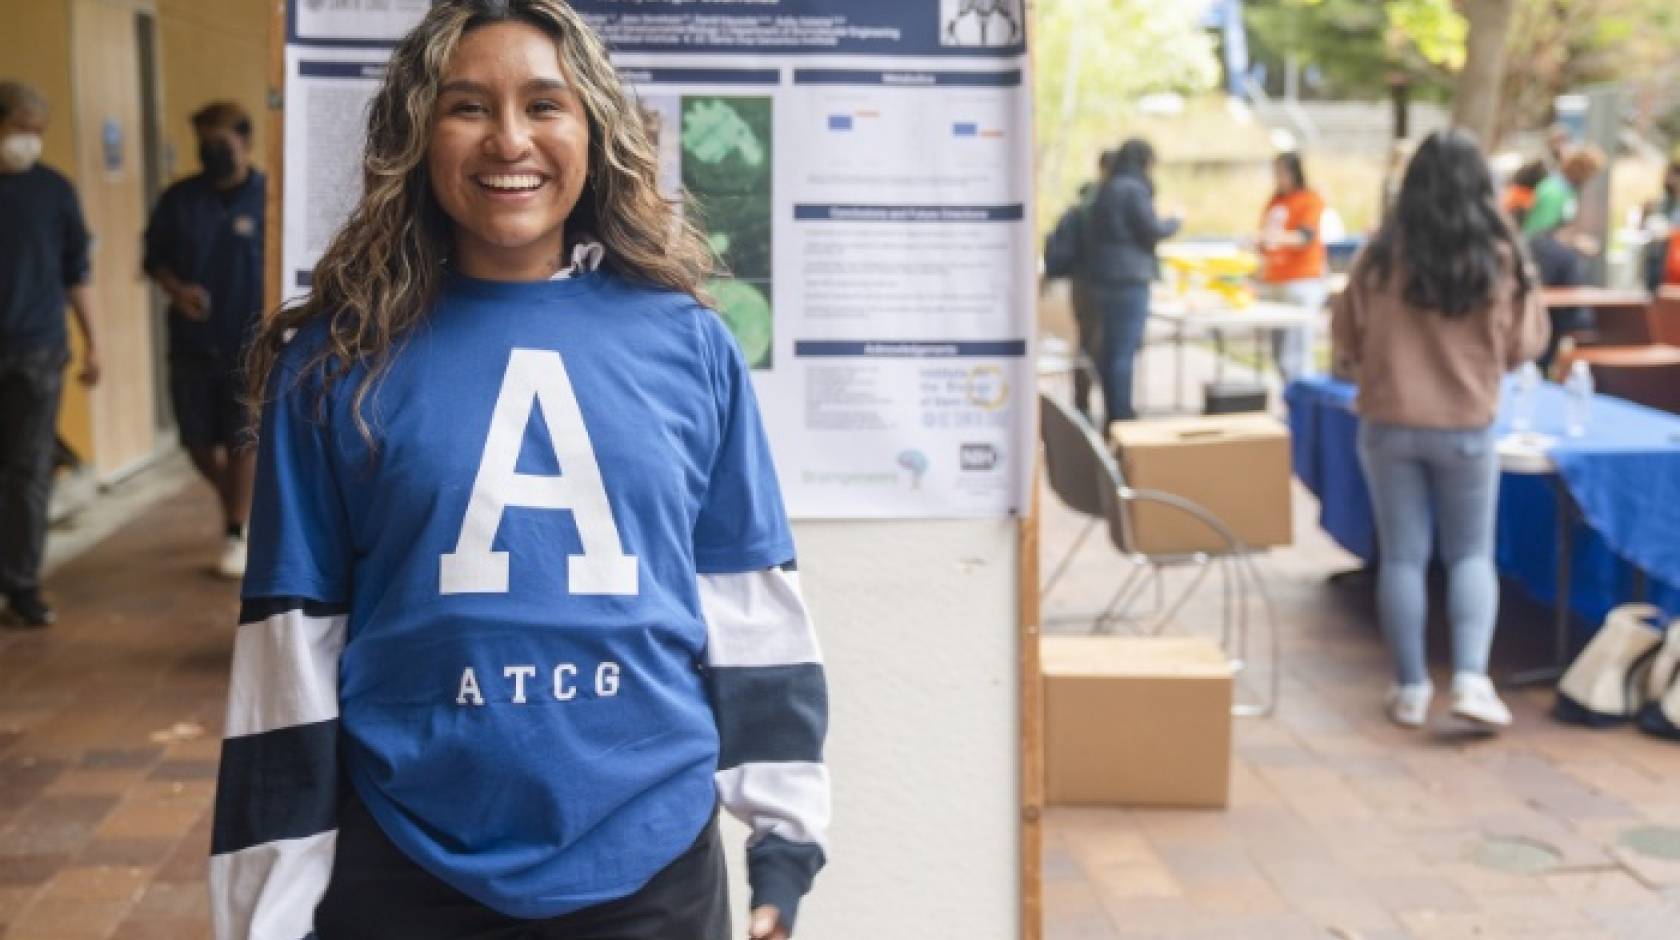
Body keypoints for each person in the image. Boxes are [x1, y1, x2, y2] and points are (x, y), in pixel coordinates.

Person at [209, 4, 829, 940]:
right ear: (417, 136)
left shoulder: (691, 344)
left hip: (649, 860)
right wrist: (269, 904)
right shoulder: (336, 364)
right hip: (406, 859)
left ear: (593, 132)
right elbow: (290, 647)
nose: (509, 139)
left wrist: (783, 835)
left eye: (545, 104)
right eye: (467, 106)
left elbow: (747, 595)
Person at [1331, 129, 1549, 731]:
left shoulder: (1378, 255)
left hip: (1387, 421)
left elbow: (1346, 338)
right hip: (1465, 426)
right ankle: (1473, 681)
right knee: (1470, 555)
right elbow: (1524, 346)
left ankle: (1409, 689)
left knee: (1402, 557)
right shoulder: (1500, 257)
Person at [143, 101, 266, 579]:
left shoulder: (267, 197)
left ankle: (236, 528)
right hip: (193, 341)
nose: (211, 153)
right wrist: (177, 290)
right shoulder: (179, 199)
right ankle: (243, 505)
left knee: (242, 440)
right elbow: (154, 259)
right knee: (195, 443)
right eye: (204, 144)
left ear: (246, 143)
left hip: (250, 340)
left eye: (221, 144)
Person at [0, 80, 101, 629]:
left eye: (37, 133)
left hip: (38, 350)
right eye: (21, 129)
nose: (29, 141)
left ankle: (21, 584)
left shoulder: (54, 192)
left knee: (28, 469)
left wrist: (95, 343)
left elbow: (76, 274)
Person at [1077, 137, 1180, 423]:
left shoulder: (1105, 189)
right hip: (1128, 280)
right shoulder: (1133, 190)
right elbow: (1151, 228)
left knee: (1110, 350)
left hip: (1102, 279)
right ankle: (1122, 415)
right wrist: (1175, 222)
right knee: (1122, 352)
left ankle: (1114, 410)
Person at [1043, 149, 1114, 421]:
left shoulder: (1082, 201)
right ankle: (1103, 408)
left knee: (1085, 342)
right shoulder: (1105, 203)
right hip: (1099, 284)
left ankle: (1081, 403)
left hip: (1079, 284)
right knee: (1102, 347)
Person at [1522, 144, 1604, 370]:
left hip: (1558, 267)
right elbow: (1540, 233)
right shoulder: (1552, 191)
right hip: (1545, 265)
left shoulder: (1567, 191)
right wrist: (1576, 242)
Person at [1257, 151, 1327, 380]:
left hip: (1301, 278)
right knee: (1278, 352)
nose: (1278, 177)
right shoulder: (1274, 201)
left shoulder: (1309, 198)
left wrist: (1276, 238)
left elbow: (1305, 236)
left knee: (1296, 352)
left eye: (1282, 172)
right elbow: (1265, 235)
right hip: (1274, 279)